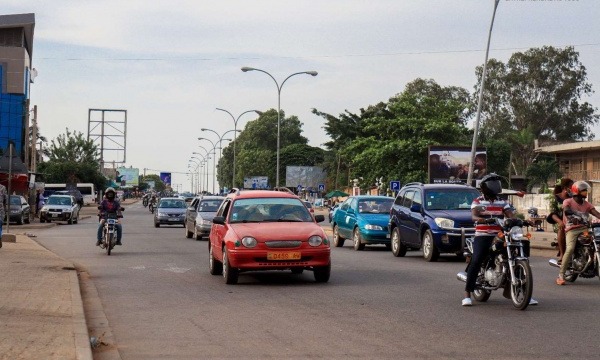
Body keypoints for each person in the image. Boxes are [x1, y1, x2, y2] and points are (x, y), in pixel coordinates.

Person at [462, 173, 537, 306]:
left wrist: (521, 221)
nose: (495, 187)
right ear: (485, 187)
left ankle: (525, 293)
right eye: (492, 184)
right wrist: (483, 219)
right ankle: (468, 293)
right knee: (477, 258)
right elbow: (474, 216)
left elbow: (510, 215)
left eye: (497, 184)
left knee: (519, 249)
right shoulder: (478, 201)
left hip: (500, 234)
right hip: (483, 235)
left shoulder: (503, 201)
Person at [556, 181, 600, 285]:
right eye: (584, 190)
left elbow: (596, 213)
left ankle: (590, 260)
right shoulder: (568, 201)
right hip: (572, 229)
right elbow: (566, 210)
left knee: (595, 243)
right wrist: (575, 216)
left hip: (585, 229)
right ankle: (560, 275)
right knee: (570, 248)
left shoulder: (587, 204)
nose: (586, 192)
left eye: (586, 190)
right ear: (577, 191)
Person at [547, 178, 573, 264]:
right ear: (565, 188)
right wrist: (560, 221)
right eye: (571, 186)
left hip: (573, 220)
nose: (572, 188)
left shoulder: (574, 197)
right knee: (562, 228)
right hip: (559, 221)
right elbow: (553, 213)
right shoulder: (555, 198)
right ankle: (562, 254)